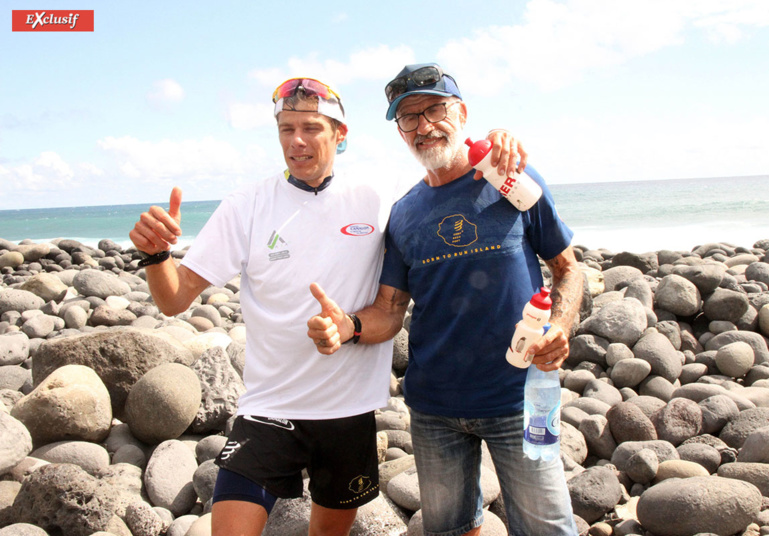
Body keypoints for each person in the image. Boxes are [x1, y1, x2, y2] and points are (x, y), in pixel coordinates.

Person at [130, 75, 526, 536]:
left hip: (348, 411)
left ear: (340, 136)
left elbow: (446, 169)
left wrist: (496, 142)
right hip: (269, 407)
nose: (297, 141)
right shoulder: (247, 205)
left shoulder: (380, 193)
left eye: (312, 128)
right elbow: (174, 299)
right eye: (286, 129)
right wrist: (157, 256)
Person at [307, 63, 583, 536]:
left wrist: (559, 326)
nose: (424, 126)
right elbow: (390, 311)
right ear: (399, 132)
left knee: (548, 530)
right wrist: (349, 326)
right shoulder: (405, 213)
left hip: (521, 397)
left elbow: (568, 269)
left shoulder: (513, 179)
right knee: (449, 531)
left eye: (435, 109)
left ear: (462, 113)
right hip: (435, 408)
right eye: (408, 118)